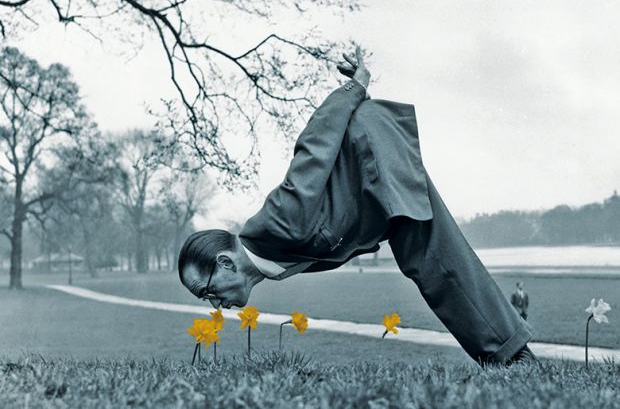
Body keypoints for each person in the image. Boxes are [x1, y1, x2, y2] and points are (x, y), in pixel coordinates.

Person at [178, 46, 536, 366]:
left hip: (374, 155)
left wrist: (357, 85)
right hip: (371, 192)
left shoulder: (279, 222)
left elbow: (315, 143)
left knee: (434, 261)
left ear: (225, 263)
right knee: (429, 261)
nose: (215, 305)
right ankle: (508, 357)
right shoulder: (270, 259)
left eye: (208, 292)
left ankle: (513, 359)